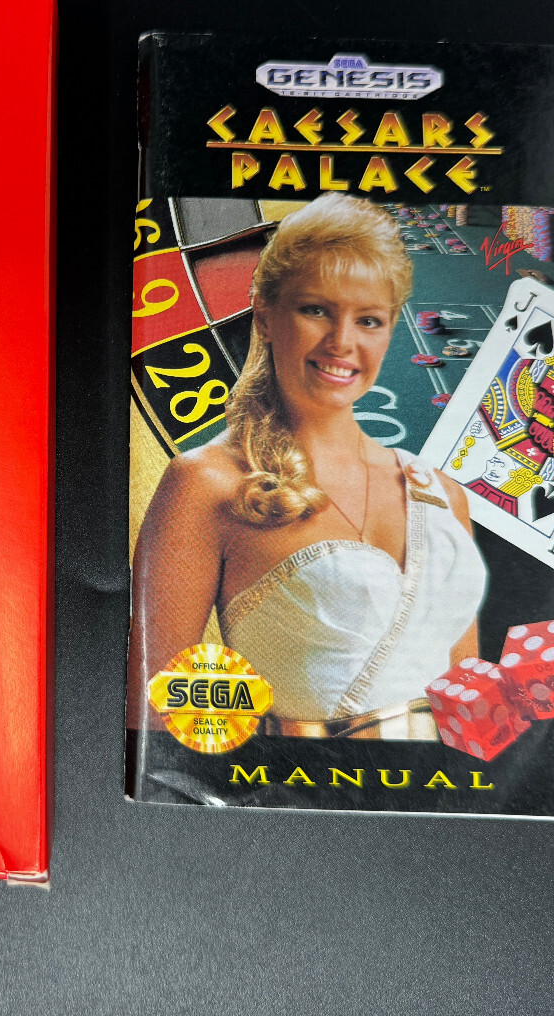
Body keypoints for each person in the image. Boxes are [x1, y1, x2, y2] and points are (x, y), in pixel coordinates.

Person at [131, 195, 487, 740]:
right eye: (316, 310)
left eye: (369, 320)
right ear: (265, 317)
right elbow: (156, 721)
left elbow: (471, 713)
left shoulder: (443, 494)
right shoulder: (205, 482)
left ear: (390, 331)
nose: (342, 342)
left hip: (442, 792)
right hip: (292, 788)